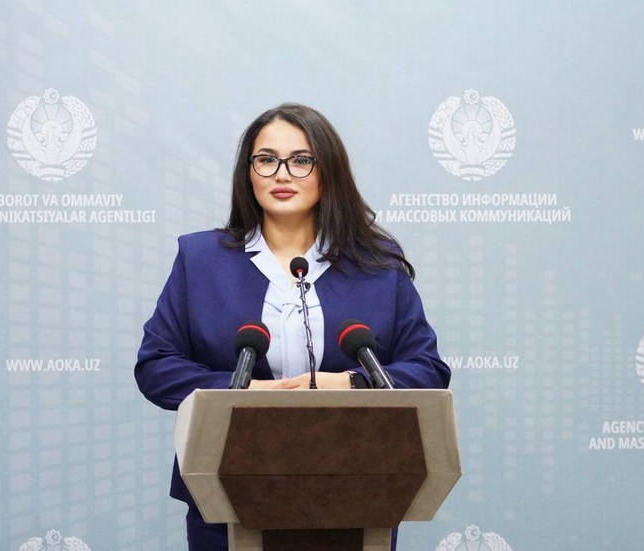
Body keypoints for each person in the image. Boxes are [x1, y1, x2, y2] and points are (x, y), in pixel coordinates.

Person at [135, 103, 450, 550]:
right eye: (266, 160)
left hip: (359, 489)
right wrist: (244, 392)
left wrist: (351, 383)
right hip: (227, 492)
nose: (282, 174)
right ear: (248, 173)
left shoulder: (378, 266)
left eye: (301, 160)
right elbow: (156, 367)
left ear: (328, 172)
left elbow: (429, 370)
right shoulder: (200, 260)